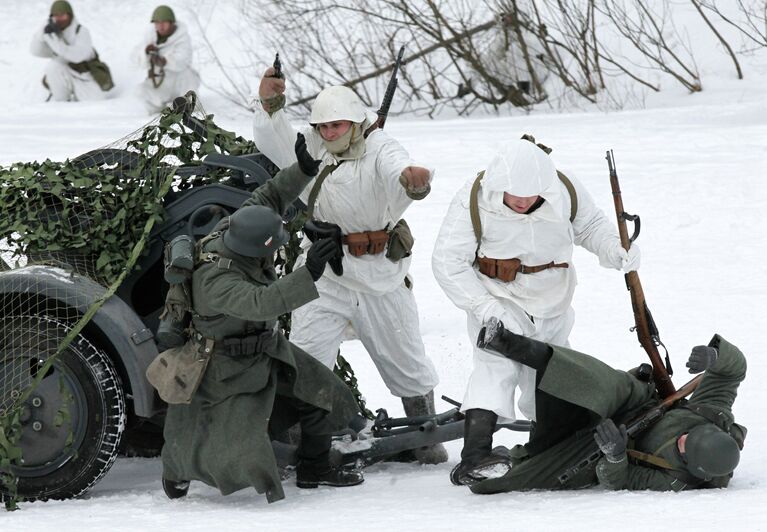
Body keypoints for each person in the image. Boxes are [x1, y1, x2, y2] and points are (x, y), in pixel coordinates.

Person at [251, 67, 447, 464]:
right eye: (322, 126)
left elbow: (400, 168)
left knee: (406, 358)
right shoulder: (312, 148)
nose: (329, 133)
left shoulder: (380, 147)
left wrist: (415, 181)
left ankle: (425, 436)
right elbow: (277, 141)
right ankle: (299, 441)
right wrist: (271, 104)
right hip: (325, 274)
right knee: (304, 356)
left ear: (355, 123)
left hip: (379, 275)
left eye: (337, 125)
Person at [160, 134, 364, 503]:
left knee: (320, 394)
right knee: (231, 444)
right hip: (224, 368)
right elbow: (262, 302)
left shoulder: (234, 228)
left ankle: (315, 469)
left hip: (266, 350)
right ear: (259, 250)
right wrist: (310, 273)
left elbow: (268, 199)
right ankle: (176, 472)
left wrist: (302, 170)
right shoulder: (216, 280)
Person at [432, 137, 641, 484]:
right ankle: (476, 456)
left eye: (530, 194)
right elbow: (447, 261)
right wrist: (487, 308)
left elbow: (591, 227)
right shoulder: (474, 197)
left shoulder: (565, 190)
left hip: (553, 301)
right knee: (494, 369)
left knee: (554, 376)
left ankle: (548, 450)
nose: (522, 201)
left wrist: (615, 249)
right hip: (498, 299)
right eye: (513, 194)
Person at [464, 318, 746, 493]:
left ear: (692, 466)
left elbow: (620, 479)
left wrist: (615, 456)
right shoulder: (713, 416)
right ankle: (507, 342)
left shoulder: (674, 480)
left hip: (607, 443)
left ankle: (485, 470)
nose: (683, 438)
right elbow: (733, 371)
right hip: (636, 402)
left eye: (685, 446)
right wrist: (715, 357)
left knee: (533, 475)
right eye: (690, 434)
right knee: (597, 381)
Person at [30, 0, 112, 101]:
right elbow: (36, 51)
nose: (60, 19)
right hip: (64, 73)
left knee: (96, 103)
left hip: (84, 76)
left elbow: (77, 57)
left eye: (63, 15)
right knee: (53, 67)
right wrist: (42, 33)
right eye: (56, 16)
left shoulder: (81, 31)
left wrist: (57, 44)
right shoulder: (52, 35)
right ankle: (62, 101)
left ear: (70, 15)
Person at [133, 5, 200, 114]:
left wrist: (164, 61)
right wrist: (145, 52)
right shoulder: (150, 37)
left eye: (164, 22)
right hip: (160, 82)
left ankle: (188, 107)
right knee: (140, 91)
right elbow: (135, 61)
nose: (160, 26)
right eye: (157, 23)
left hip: (179, 82)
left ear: (171, 22)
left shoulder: (182, 37)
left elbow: (183, 60)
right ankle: (159, 111)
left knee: (190, 75)